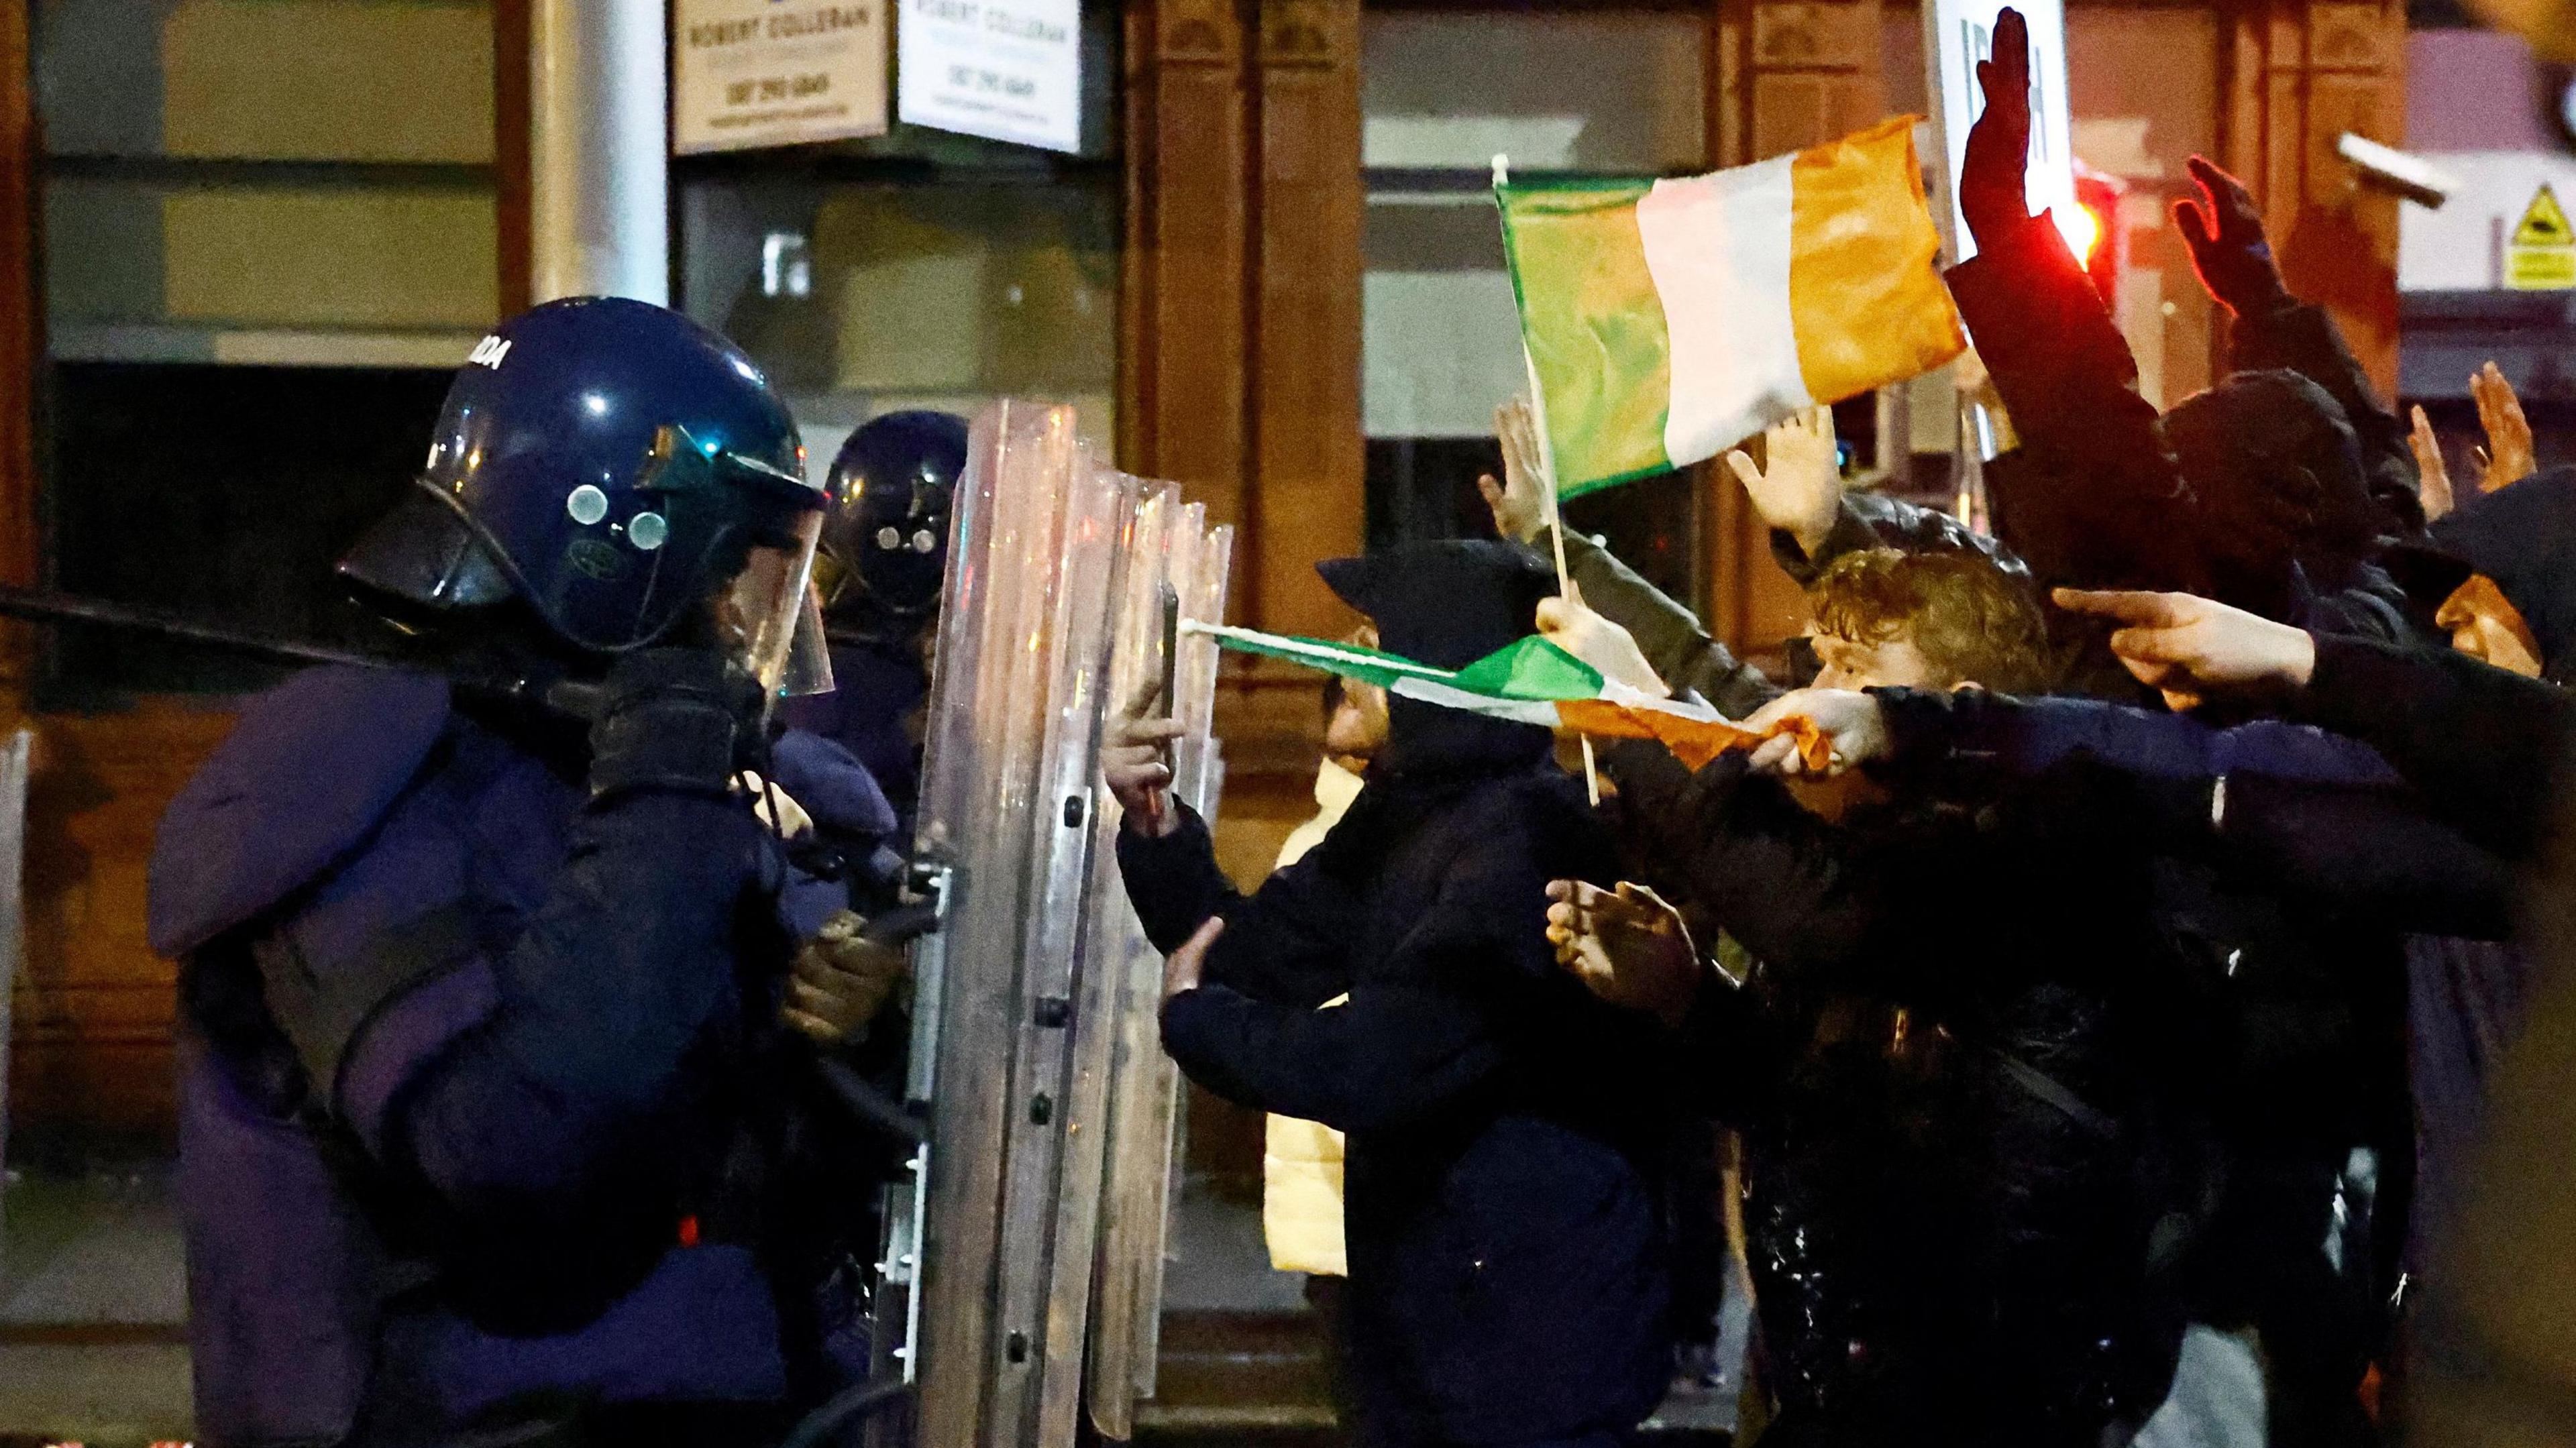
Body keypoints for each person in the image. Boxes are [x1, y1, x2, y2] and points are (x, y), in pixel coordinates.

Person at [150, 297, 904, 1447]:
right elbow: (512, 1140)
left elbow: (774, 1140)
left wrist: (851, 1010)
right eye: (730, 570)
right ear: (624, 551)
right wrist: (665, 790)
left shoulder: (661, 760)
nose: (744, 620)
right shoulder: (351, 776)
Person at [1542, 545, 2194, 1447]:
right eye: (1819, 660)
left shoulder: (2038, 848)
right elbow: (1804, 1094)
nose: (1816, 688)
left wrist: (1635, 720)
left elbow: (1823, 919)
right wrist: (1684, 996)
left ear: (1950, 702)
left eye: (1855, 668)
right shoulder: (1876, 842)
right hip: (1840, 1389)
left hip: (1991, 1406)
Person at [1103, 539, 1673, 1448]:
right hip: (1434, 1309)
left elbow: (1381, 1061)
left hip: (1529, 1336)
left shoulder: (1524, 836)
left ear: (1438, 665)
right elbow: (1256, 954)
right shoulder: (1415, 811)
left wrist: (1197, 1022)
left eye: (1374, 639)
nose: (1346, 664)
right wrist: (1156, 825)